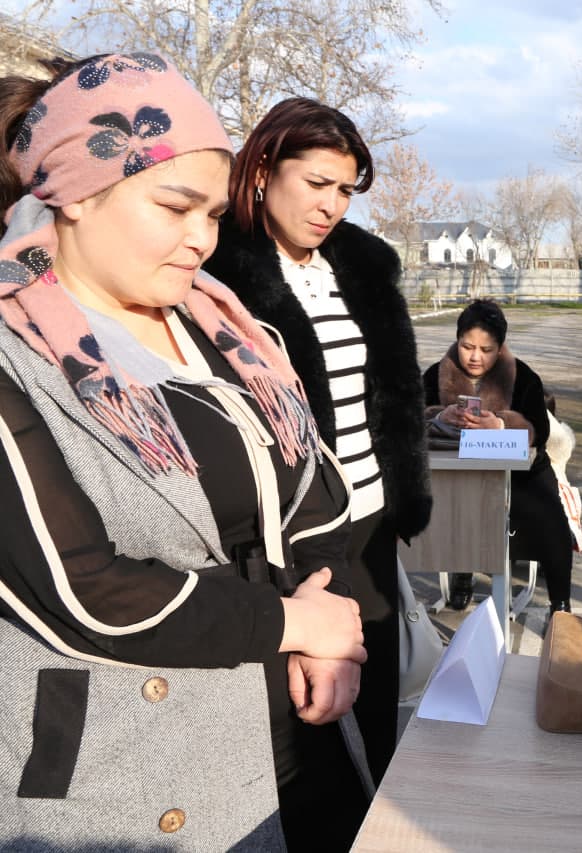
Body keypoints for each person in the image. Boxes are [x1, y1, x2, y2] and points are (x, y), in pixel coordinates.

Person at [0, 54, 371, 849]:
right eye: (176, 207)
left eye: (212, 215)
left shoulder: (230, 332)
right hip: (127, 768)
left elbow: (309, 496)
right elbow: (86, 587)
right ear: (71, 194)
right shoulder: (13, 354)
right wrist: (292, 623)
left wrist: (333, 627)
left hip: (290, 731)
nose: (202, 240)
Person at [203, 97, 431, 783]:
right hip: (290, 537)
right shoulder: (215, 269)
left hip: (371, 523)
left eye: (345, 190)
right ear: (265, 169)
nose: (331, 205)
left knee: (380, 705)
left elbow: (394, 394)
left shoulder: (361, 264)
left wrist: (402, 495)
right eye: (317, 183)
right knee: (312, 729)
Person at [422, 299, 573, 619]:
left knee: (550, 516)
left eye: (486, 349)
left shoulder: (523, 377)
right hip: (455, 472)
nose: (475, 356)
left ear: (500, 347)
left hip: (521, 475)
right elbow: (408, 422)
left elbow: (541, 431)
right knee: (451, 507)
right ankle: (461, 575)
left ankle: (560, 602)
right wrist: (438, 417)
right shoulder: (436, 375)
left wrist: (502, 425)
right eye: (467, 346)